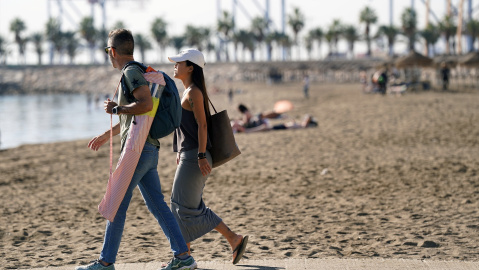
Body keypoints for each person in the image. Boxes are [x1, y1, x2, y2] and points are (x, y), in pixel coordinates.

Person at [76, 29, 196, 270]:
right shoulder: (139, 69)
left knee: (117, 202)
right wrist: (105, 135)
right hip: (148, 150)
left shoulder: (130, 72)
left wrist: (116, 109)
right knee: (156, 205)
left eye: (107, 50)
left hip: (138, 151)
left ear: (113, 51)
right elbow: (137, 119)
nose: (108, 55)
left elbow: (145, 104)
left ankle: (105, 261)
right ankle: (183, 257)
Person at [168, 48, 249, 265]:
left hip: (196, 156)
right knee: (186, 207)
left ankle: (182, 258)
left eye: (179, 62)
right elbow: (187, 128)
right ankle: (233, 239)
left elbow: (203, 125)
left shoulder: (194, 92)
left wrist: (201, 155)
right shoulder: (187, 91)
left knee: (179, 207)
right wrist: (182, 152)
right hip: (190, 154)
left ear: (191, 67)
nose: (175, 65)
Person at [231, 114, 318, 133]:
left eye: (307, 118)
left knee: (265, 128)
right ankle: (247, 130)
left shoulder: (304, 125)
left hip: (284, 127)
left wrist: (309, 118)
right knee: (265, 127)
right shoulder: (302, 124)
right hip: (283, 126)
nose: (305, 118)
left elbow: (309, 123)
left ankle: (248, 131)